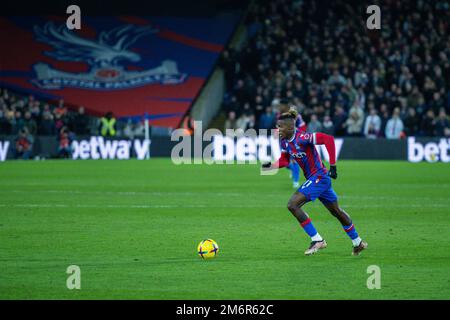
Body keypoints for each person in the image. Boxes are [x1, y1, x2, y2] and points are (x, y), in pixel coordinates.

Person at [262, 110, 368, 256]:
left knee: (292, 204)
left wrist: (333, 166)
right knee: (336, 211)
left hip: (319, 176)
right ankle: (358, 242)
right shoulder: (284, 142)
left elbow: (328, 140)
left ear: (290, 128)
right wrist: (272, 166)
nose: (277, 130)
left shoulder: (303, 137)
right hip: (316, 179)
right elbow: (285, 160)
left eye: (280, 127)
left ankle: (317, 239)